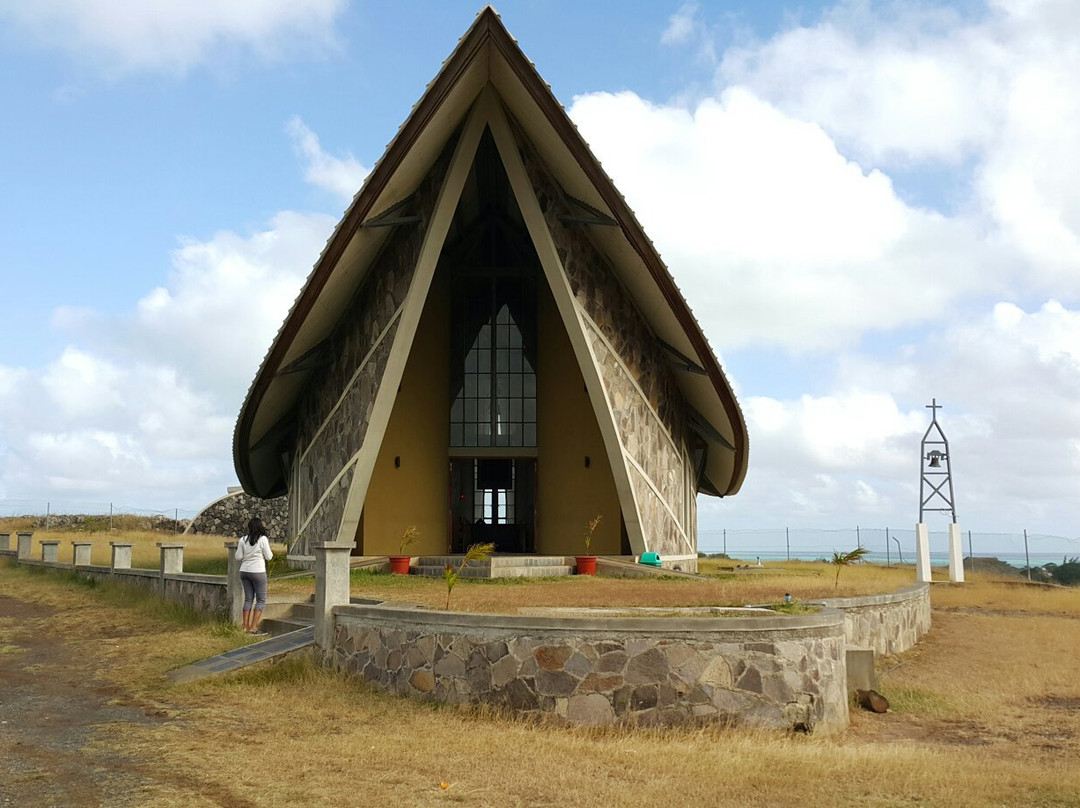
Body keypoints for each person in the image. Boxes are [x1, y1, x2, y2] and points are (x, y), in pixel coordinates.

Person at [235, 516, 273, 635]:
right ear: (260, 527)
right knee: (261, 600)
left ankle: (244, 627)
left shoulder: (243, 540)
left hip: (244, 571)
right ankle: (253, 627)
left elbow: (238, 557)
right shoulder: (262, 539)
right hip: (258, 572)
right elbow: (269, 556)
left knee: (248, 599)